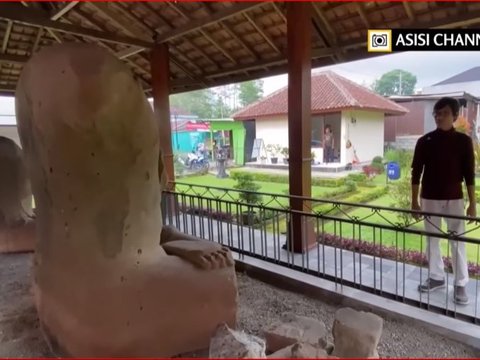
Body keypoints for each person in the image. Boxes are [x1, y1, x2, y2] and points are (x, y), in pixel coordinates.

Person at [411, 97, 476, 305]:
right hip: (429, 198)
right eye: (436, 113)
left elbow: (469, 175)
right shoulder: (424, 141)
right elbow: (416, 173)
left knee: (458, 241)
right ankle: (436, 277)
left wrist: (473, 203)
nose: (439, 117)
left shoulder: (464, 142)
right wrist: (414, 201)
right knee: (432, 239)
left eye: (444, 113)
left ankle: (460, 283)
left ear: (455, 116)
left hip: (455, 199)